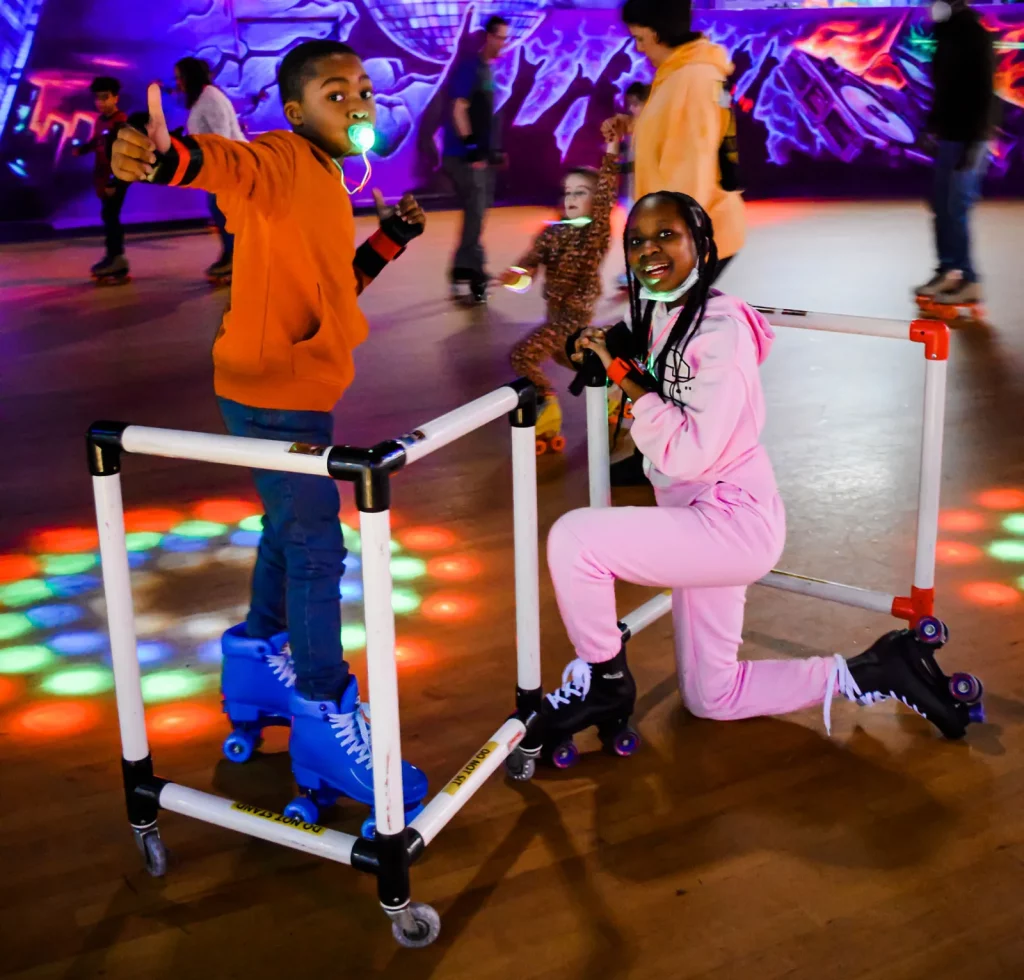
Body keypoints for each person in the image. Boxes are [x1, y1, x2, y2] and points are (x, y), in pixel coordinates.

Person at [526, 191, 983, 762]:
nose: (649, 250)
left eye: (666, 235)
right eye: (637, 241)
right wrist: (593, 345)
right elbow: (626, 339)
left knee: (576, 540)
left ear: (701, 244)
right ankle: (866, 672)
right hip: (696, 520)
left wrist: (626, 377)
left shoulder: (722, 333)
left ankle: (604, 680)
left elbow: (688, 452)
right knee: (712, 696)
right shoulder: (663, 313)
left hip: (730, 524)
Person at [110, 40, 431, 827]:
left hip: (285, 384)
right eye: (333, 91)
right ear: (295, 111)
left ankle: (258, 658)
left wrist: (390, 240)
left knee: (290, 530)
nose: (356, 100)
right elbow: (228, 164)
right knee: (319, 545)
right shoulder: (284, 159)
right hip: (277, 393)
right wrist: (165, 158)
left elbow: (330, 288)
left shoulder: (325, 177)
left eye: (361, 87)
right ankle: (321, 712)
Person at [498, 133, 620, 449]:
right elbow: (530, 266)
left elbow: (607, 189)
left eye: (581, 193)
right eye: (568, 192)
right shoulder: (552, 234)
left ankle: (547, 406)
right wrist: (517, 276)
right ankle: (616, 388)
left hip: (572, 316)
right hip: (556, 315)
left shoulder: (594, 233)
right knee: (569, 358)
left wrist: (611, 149)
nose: (571, 199)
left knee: (523, 356)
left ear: (596, 202)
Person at [914, 0, 995, 309]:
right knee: (941, 206)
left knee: (955, 207)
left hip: (968, 139)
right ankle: (948, 268)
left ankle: (969, 279)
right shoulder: (946, 36)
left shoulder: (974, 36)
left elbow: (984, 93)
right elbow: (945, 89)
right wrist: (932, 127)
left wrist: (974, 142)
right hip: (950, 136)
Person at [442, 14, 509, 304]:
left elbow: (483, 116)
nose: (504, 43)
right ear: (488, 37)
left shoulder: (486, 69)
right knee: (477, 211)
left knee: (477, 212)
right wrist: (472, 149)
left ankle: (463, 270)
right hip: (465, 157)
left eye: (507, 38)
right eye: (500, 37)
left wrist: (492, 150)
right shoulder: (470, 67)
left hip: (478, 155)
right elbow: (459, 108)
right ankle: (473, 272)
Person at [175, 56, 247, 281]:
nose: (177, 82)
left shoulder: (210, 98)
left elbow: (221, 136)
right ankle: (231, 256)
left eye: (179, 77)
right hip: (219, 165)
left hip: (228, 166)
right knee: (220, 213)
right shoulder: (204, 97)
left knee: (223, 213)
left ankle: (234, 259)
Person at [74, 76, 129, 280]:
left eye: (106, 98)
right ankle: (114, 257)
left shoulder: (121, 122)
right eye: (98, 98)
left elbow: (121, 155)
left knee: (111, 216)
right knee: (108, 216)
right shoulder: (101, 121)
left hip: (117, 177)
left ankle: (116, 258)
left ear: (116, 98)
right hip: (103, 176)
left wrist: (114, 182)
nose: (101, 103)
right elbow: (97, 141)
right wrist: (83, 149)